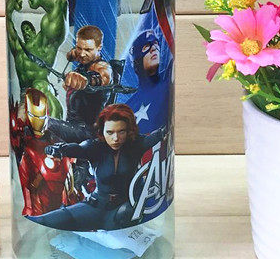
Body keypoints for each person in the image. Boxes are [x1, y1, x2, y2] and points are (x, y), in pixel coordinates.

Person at [27, 104, 165, 231]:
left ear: (128, 131)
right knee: (46, 220)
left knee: (123, 221)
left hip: (122, 210)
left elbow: (155, 137)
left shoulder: (136, 144)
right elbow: (78, 149)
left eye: (121, 132)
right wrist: (60, 150)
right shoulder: (95, 146)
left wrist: (163, 132)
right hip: (95, 206)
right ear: (102, 131)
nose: (115, 138)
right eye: (110, 132)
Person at [12, 89, 78, 217]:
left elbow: (69, 144)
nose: (38, 121)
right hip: (35, 176)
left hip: (55, 175)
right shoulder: (21, 133)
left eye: (41, 117)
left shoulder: (54, 131)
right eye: (34, 116)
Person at [6, 0, 68, 118]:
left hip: (42, 92)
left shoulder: (42, 45)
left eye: (28, 29)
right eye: (23, 30)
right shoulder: (18, 50)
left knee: (39, 85)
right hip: (24, 96)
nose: (26, 32)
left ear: (35, 31)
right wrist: (9, 9)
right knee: (19, 126)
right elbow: (10, 29)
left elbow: (59, 2)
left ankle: (55, 125)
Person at [46, 25, 113, 143]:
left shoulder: (103, 67)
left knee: (42, 122)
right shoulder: (83, 59)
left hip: (88, 134)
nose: (82, 54)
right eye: (79, 48)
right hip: (71, 127)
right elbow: (74, 54)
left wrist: (85, 80)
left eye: (88, 50)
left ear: (99, 47)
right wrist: (72, 54)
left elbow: (102, 77)